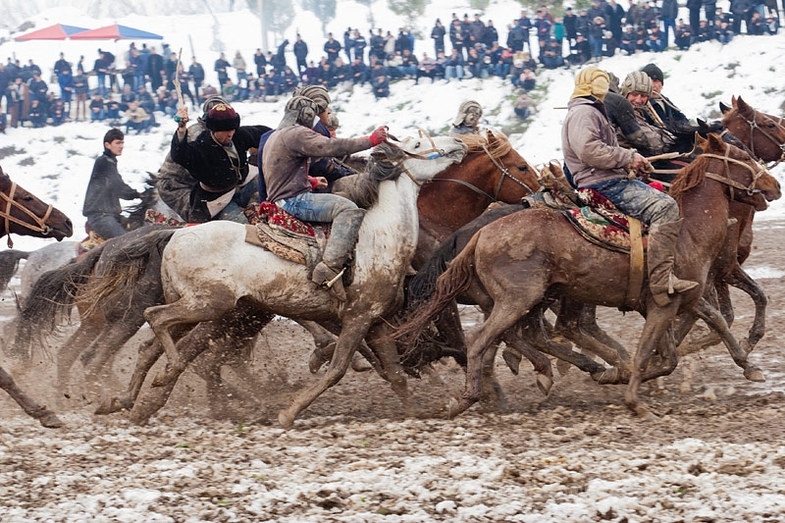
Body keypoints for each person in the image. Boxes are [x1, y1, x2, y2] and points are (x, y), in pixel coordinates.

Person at [561, 66, 698, 307]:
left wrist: (631, 164)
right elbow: (589, 150)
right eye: (602, 82)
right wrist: (628, 158)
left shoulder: (589, 110)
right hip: (603, 182)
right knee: (665, 207)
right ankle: (661, 279)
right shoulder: (585, 112)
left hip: (607, 176)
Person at [262, 95, 387, 300]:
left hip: (282, 198)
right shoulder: (296, 133)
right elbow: (331, 147)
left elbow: (280, 172)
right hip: (295, 201)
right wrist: (371, 141)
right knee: (347, 209)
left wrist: (310, 181)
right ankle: (329, 269)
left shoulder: (277, 135)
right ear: (307, 115)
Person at [171, 102, 270, 223]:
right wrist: (181, 128)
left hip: (242, 185)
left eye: (232, 129)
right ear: (214, 130)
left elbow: (265, 134)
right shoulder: (202, 147)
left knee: (272, 195)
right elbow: (180, 154)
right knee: (242, 226)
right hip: (217, 199)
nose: (230, 134)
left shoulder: (238, 135)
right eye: (225, 130)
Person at [82, 128, 142, 240]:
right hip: (100, 217)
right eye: (118, 143)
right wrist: (138, 195)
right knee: (126, 242)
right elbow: (118, 187)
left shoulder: (110, 161)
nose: (121, 146)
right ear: (107, 145)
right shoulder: (104, 162)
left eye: (122, 142)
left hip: (111, 215)